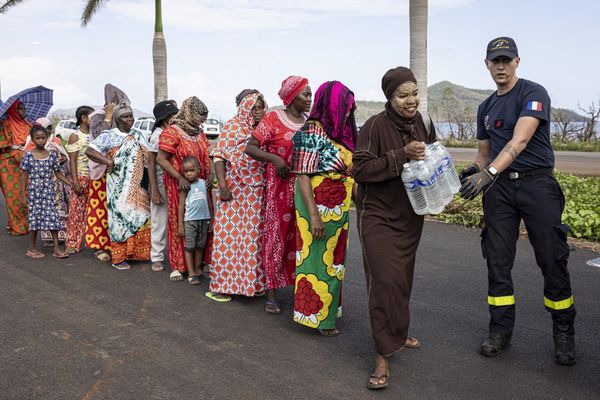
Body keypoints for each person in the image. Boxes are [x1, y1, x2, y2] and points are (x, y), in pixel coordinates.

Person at [459, 37, 576, 365]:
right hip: (500, 193)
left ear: (517, 62)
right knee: (496, 261)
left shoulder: (532, 93)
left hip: (537, 186)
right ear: (486, 64)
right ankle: (500, 330)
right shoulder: (485, 107)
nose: (501, 66)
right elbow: (484, 155)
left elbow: (520, 139)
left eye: (506, 60)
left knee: (552, 259)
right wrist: (473, 172)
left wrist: (488, 173)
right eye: (495, 61)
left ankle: (564, 333)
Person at [352, 67, 435, 390]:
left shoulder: (424, 124)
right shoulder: (374, 126)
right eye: (403, 95)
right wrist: (401, 155)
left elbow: (434, 160)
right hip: (378, 216)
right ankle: (383, 355)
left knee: (401, 280)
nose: (411, 100)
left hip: (410, 216)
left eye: (414, 93)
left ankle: (398, 333)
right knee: (384, 280)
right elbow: (360, 170)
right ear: (390, 97)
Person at [290, 81, 357, 336]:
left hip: (338, 209)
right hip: (316, 206)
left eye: (350, 108)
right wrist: (315, 217)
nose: (349, 113)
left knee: (334, 262)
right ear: (331, 105)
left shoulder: (338, 133)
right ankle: (316, 317)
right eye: (345, 107)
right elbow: (303, 176)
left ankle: (328, 312)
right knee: (316, 261)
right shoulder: (311, 132)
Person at [245, 76, 312, 314]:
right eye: (305, 94)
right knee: (277, 237)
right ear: (292, 96)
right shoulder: (273, 118)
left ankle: (299, 290)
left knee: (301, 238)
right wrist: (274, 159)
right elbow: (250, 147)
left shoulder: (307, 122)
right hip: (279, 190)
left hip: (304, 190)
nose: (309, 99)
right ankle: (271, 293)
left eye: (311, 94)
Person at [207, 91, 267, 302]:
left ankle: (252, 284)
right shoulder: (233, 127)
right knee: (228, 239)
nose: (258, 112)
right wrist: (222, 186)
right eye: (254, 108)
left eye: (261, 107)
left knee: (252, 239)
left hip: (256, 191)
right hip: (233, 190)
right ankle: (223, 285)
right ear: (244, 108)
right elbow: (219, 156)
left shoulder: (263, 129)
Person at [86, 101, 151, 270]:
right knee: (119, 221)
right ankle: (119, 258)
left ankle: (136, 254)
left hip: (139, 187)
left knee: (139, 217)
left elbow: (148, 159)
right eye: (125, 116)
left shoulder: (139, 134)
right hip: (118, 188)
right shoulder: (109, 135)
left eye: (131, 115)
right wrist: (107, 160)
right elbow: (90, 151)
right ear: (117, 119)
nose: (130, 119)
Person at [157, 96, 212, 282]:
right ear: (189, 112)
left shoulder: (199, 133)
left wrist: (210, 176)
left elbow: (207, 157)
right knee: (179, 224)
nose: (201, 120)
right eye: (199, 116)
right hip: (179, 186)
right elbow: (161, 159)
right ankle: (178, 266)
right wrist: (179, 177)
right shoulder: (172, 132)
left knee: (200, 226)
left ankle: (197, 266)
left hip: (200, 188)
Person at [20, 124, 71, 259]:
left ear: (47, 138)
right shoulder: (28, 156)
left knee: (53, 218)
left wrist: (70, 183)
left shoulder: (52, 155)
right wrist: (22, 196)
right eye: (38, 138)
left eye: (43, 138)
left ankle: (56, 248)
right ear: (33, 139)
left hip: (49, 192)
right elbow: (24, 175)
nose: (41, 140)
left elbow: (58, 173)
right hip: (34, 193)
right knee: (34, 220)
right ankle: (31, 248)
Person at [148, 100, 179, 272]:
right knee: (160, 219)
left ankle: (175, 255)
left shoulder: (174, 132)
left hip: (175, 181)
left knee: (176, 219)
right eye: (173, 114)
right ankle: (157, 256)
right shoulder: (158, 134)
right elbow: (151, 162)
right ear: (166, 117)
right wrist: (155, 190)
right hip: (161, 181)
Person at [178, 156, 211, 285]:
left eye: (191, 170)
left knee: (200, 246)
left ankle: (197, 269)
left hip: (204, 220)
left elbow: (208, 202)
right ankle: (191, 273)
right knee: (189, 247)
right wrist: (181, 225)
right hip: (190, 221)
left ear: (198, 170)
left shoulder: (204, 183)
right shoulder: (185, 186)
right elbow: (181, 206)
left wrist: (211, 219)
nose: (189, 173)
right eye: (186, 171)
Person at [65, 106, 94, 253]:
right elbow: (73, 160)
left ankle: (84, 240)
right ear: (83, 118)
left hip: (94, 178)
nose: (94, 120)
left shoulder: (95, 135)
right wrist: (75, 182)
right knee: (76, 211)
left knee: (91, 212)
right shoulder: (75, 136)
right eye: (91, 117)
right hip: (81, 177)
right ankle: (71, 242)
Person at [0, 100, 30, 235]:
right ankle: (17, 226)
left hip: (27, 163)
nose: (24, 111)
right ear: (13, 111)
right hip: (8, 164)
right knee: (13, 196)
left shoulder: (29, 125)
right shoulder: (5, 125)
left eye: (24, 109)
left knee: (28, 194)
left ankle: (28, 224)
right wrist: (12, 146)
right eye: (21, 109)